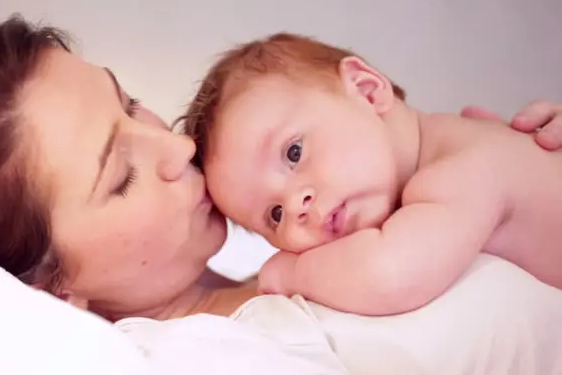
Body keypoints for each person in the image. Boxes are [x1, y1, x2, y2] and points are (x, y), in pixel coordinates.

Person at [0, 16, 562, 375]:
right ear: (50, 286)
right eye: (122, 174)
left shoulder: (277, 253)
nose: (173, 146)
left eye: (129, 102)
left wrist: (516, 170)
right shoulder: (200, 360)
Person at [179, 32, 562, 315]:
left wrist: (292, 273)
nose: (296, 204)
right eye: (274, 215)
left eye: (294, 152)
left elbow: (388, 275)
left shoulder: (461, 172)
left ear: (365, 89)